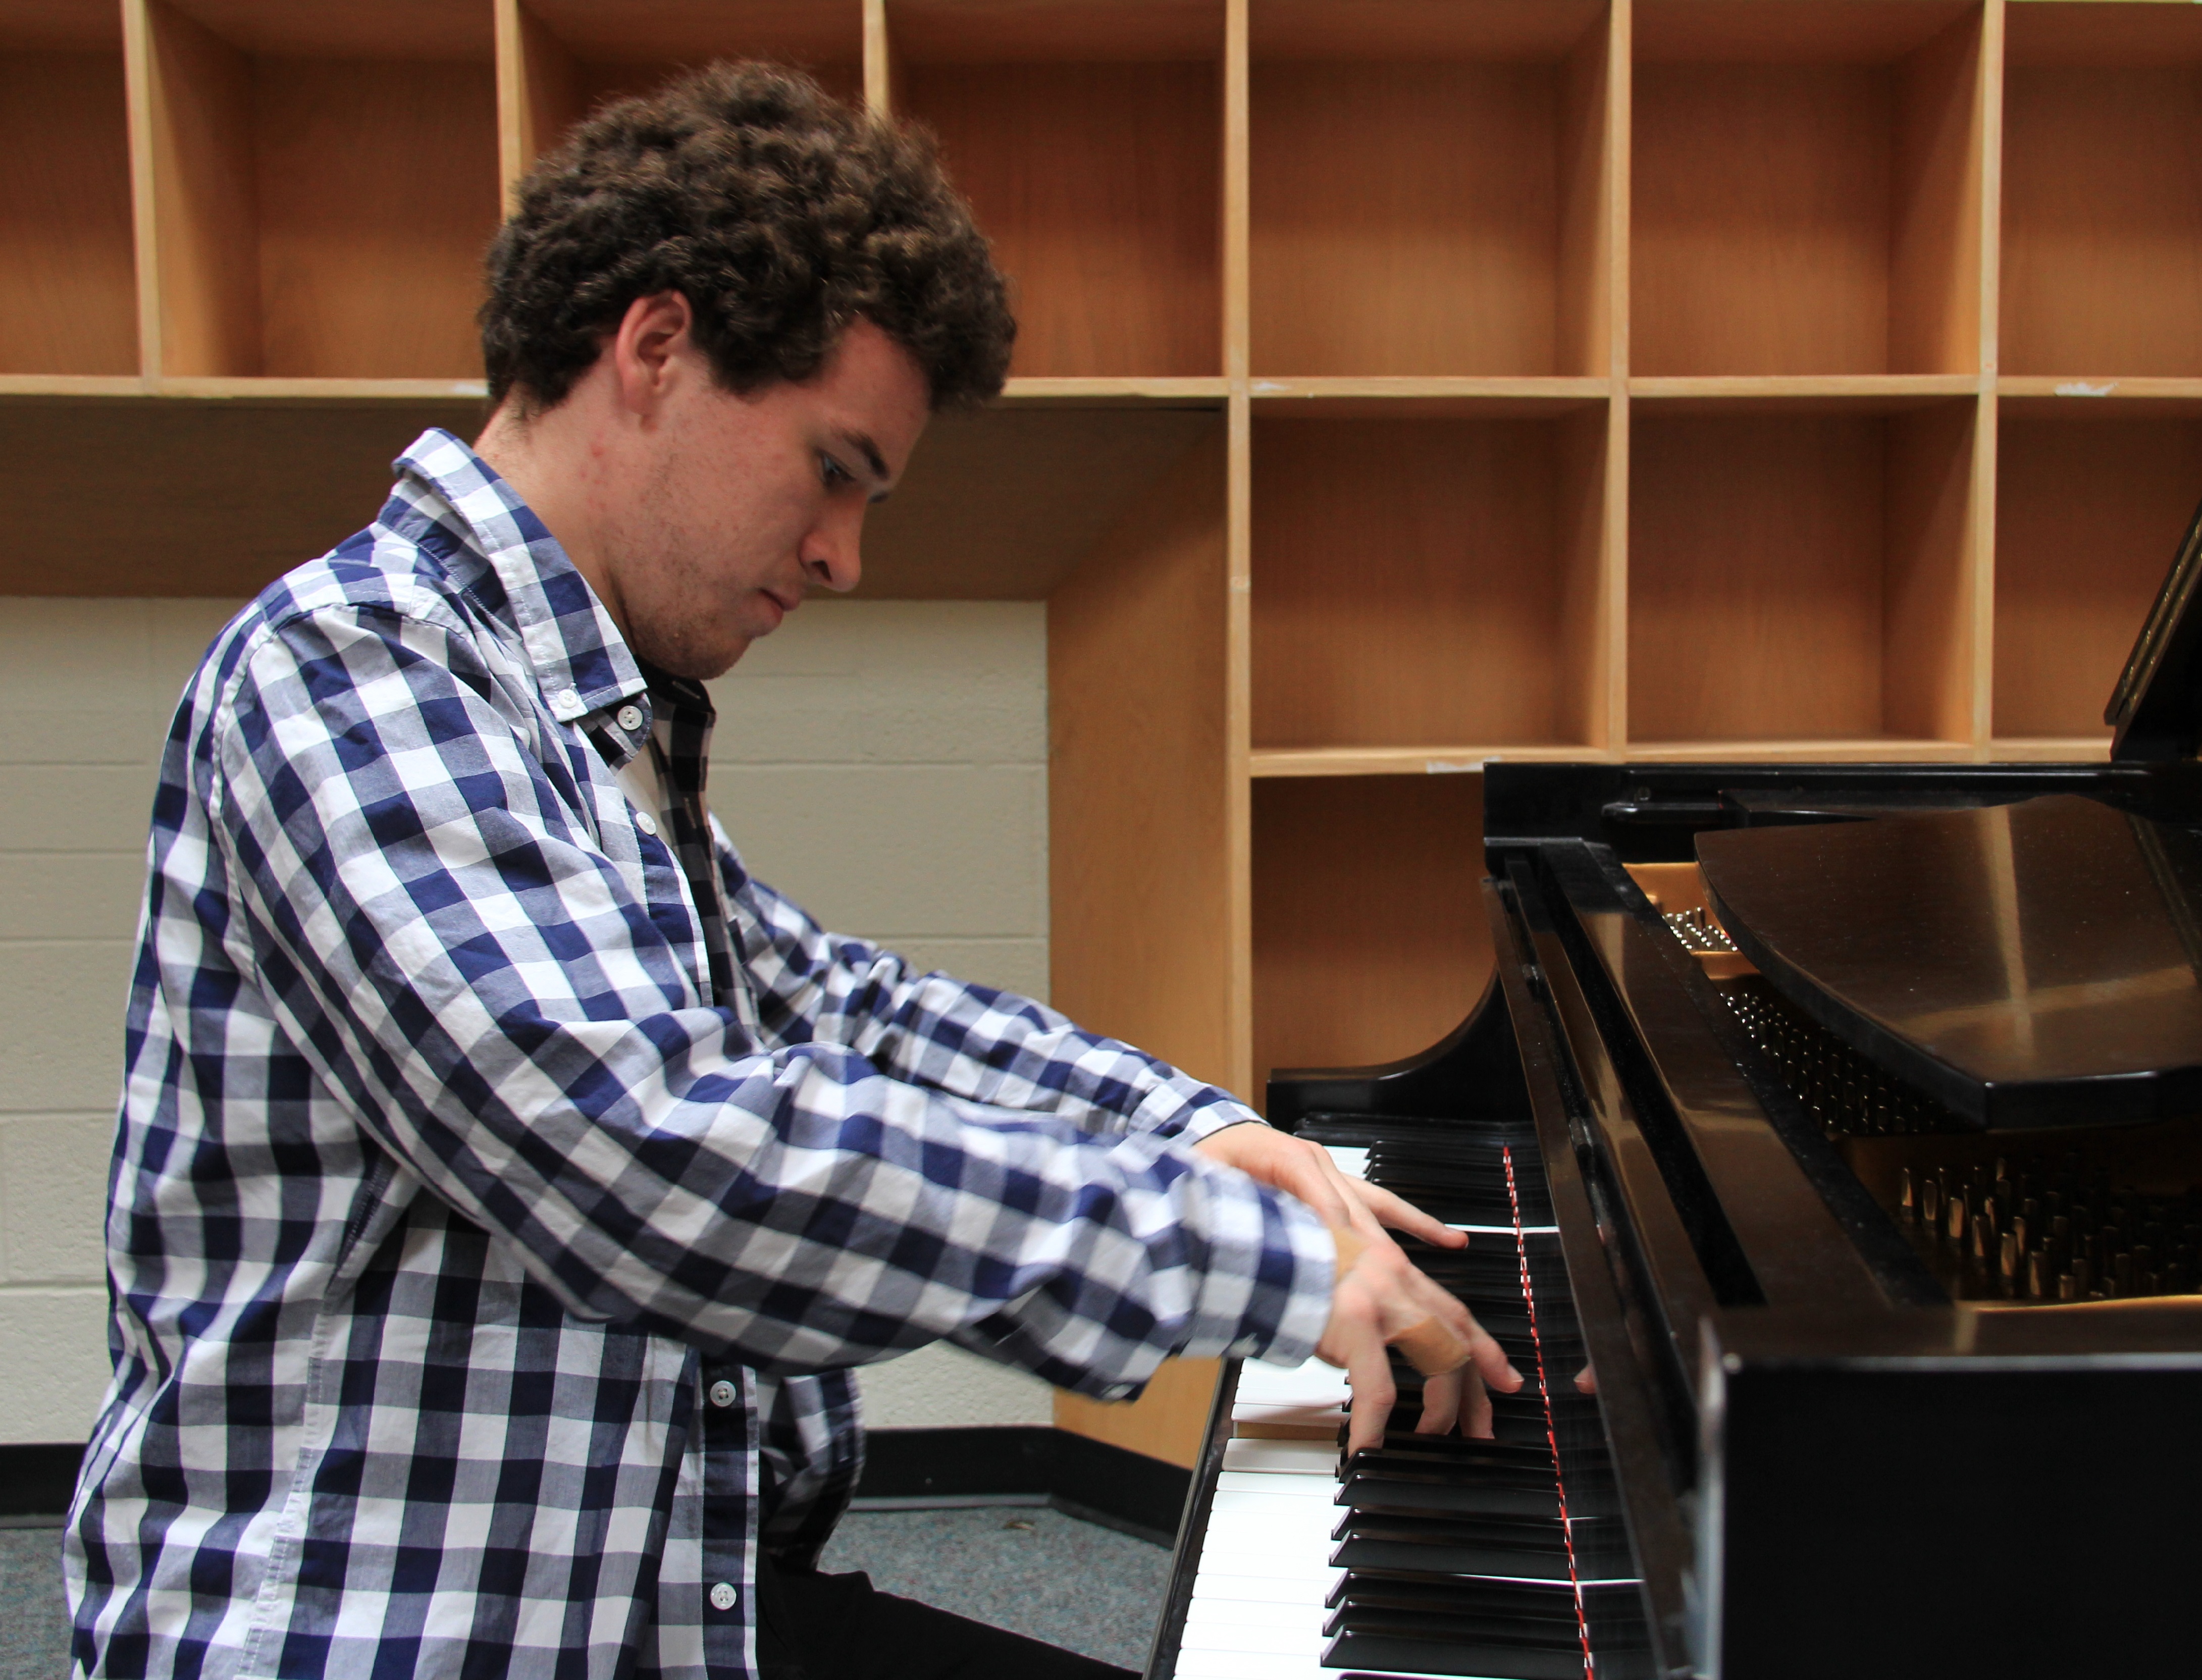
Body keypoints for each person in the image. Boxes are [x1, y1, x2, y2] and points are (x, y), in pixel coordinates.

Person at [64, 62, 1516, 1680]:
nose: (842, 556)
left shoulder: (572, 717)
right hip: (391, 1630)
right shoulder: (357, 671)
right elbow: (653, 1154)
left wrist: (1207, 1131)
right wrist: (1248, 1261)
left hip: (674, 1602)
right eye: (834, 470)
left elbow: (844, 1009)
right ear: (656, 350)